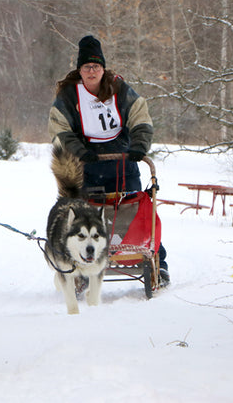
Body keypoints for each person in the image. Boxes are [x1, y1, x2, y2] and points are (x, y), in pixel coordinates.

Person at [47, 35, 169, 285]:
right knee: (85, 219)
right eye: (86, 67)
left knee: (136, 213)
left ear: (103, 68)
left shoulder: (119, 89)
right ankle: (78, 266)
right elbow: (59, 128)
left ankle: (159, 260)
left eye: (96, 67)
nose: (92, 71)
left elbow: (140, 116)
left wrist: (139, 145)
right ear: (79, 70)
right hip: (87, 165)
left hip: (123, 162)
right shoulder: (69, 96)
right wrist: (79, 151)